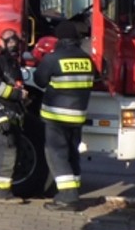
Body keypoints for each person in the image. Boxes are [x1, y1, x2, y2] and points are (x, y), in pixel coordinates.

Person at [34, 20, 95, 213]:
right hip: (77, 116)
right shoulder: (86, 59)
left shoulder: (53, 58)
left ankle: (68, 197)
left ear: (58, 38)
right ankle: (74, 191)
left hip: (56, 116)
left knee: (57, 154)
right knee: (72, 153)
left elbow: (39, 81)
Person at [0, 29, 28, 203]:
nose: (13, 45)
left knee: (8, 149)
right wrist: (17, 95)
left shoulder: (12, 61)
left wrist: (22, 96)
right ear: (0, 41)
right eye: (9, 42)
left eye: (15, 42)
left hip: (9, 111)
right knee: (7, 150)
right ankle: (1, 194)